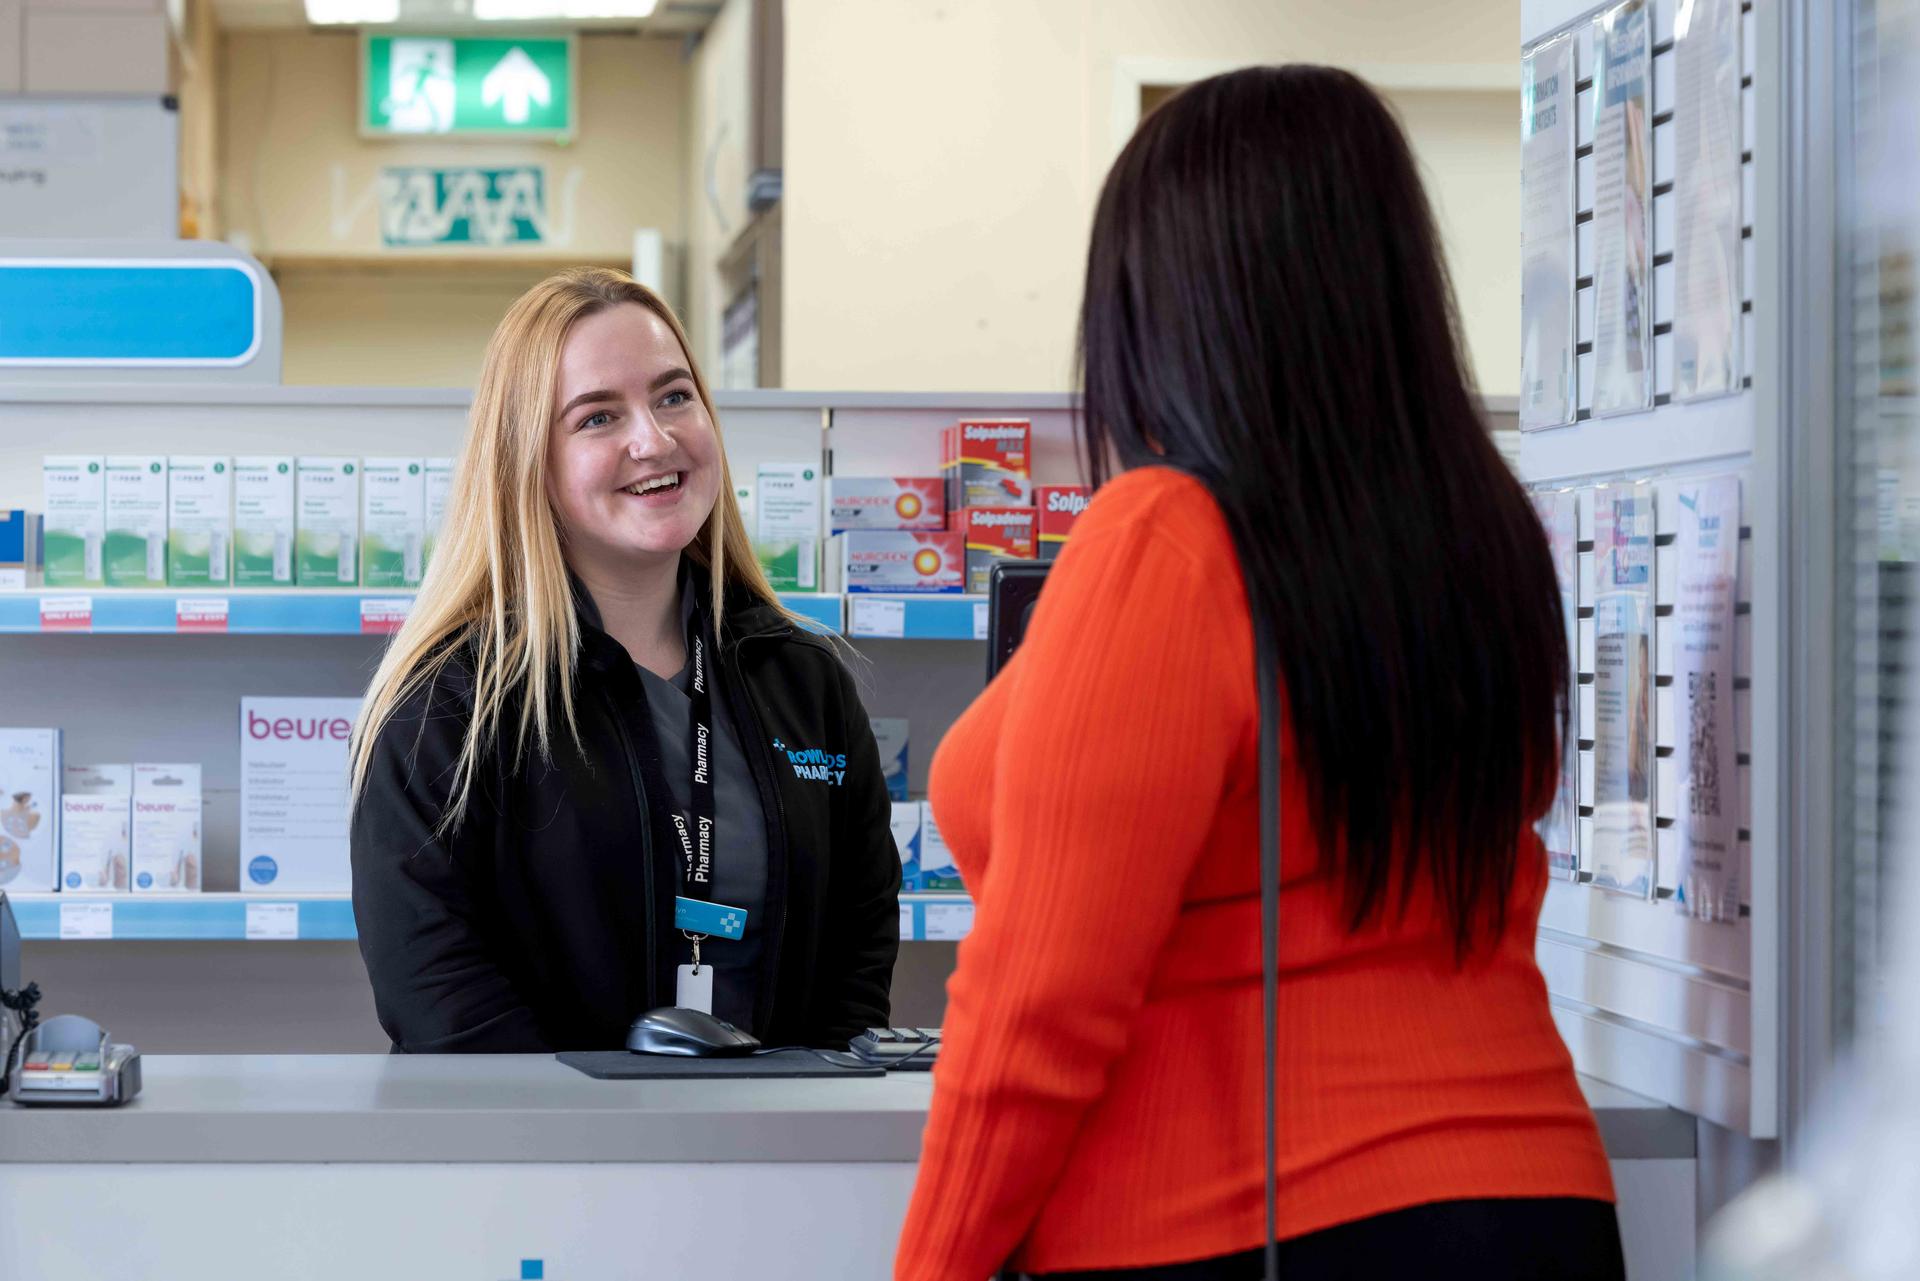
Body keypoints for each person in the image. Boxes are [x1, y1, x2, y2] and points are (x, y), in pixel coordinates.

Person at [895, 67, 1622, 1281]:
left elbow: (1037, 1007)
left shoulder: (1164, 542)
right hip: (1540, 1205)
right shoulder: (1486, 540)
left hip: (1241, 1223)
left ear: (1167, 305)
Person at [349, 268, 900, 1053]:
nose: (654, 438)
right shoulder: (448, 702)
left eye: (674, 396)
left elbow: (860, 939)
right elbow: (436, 987)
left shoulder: (804, 682)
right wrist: (599, 1145)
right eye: (598, 416)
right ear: (527, 463)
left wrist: (799, 1122)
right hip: (547, 1157)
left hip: (779, 1156)